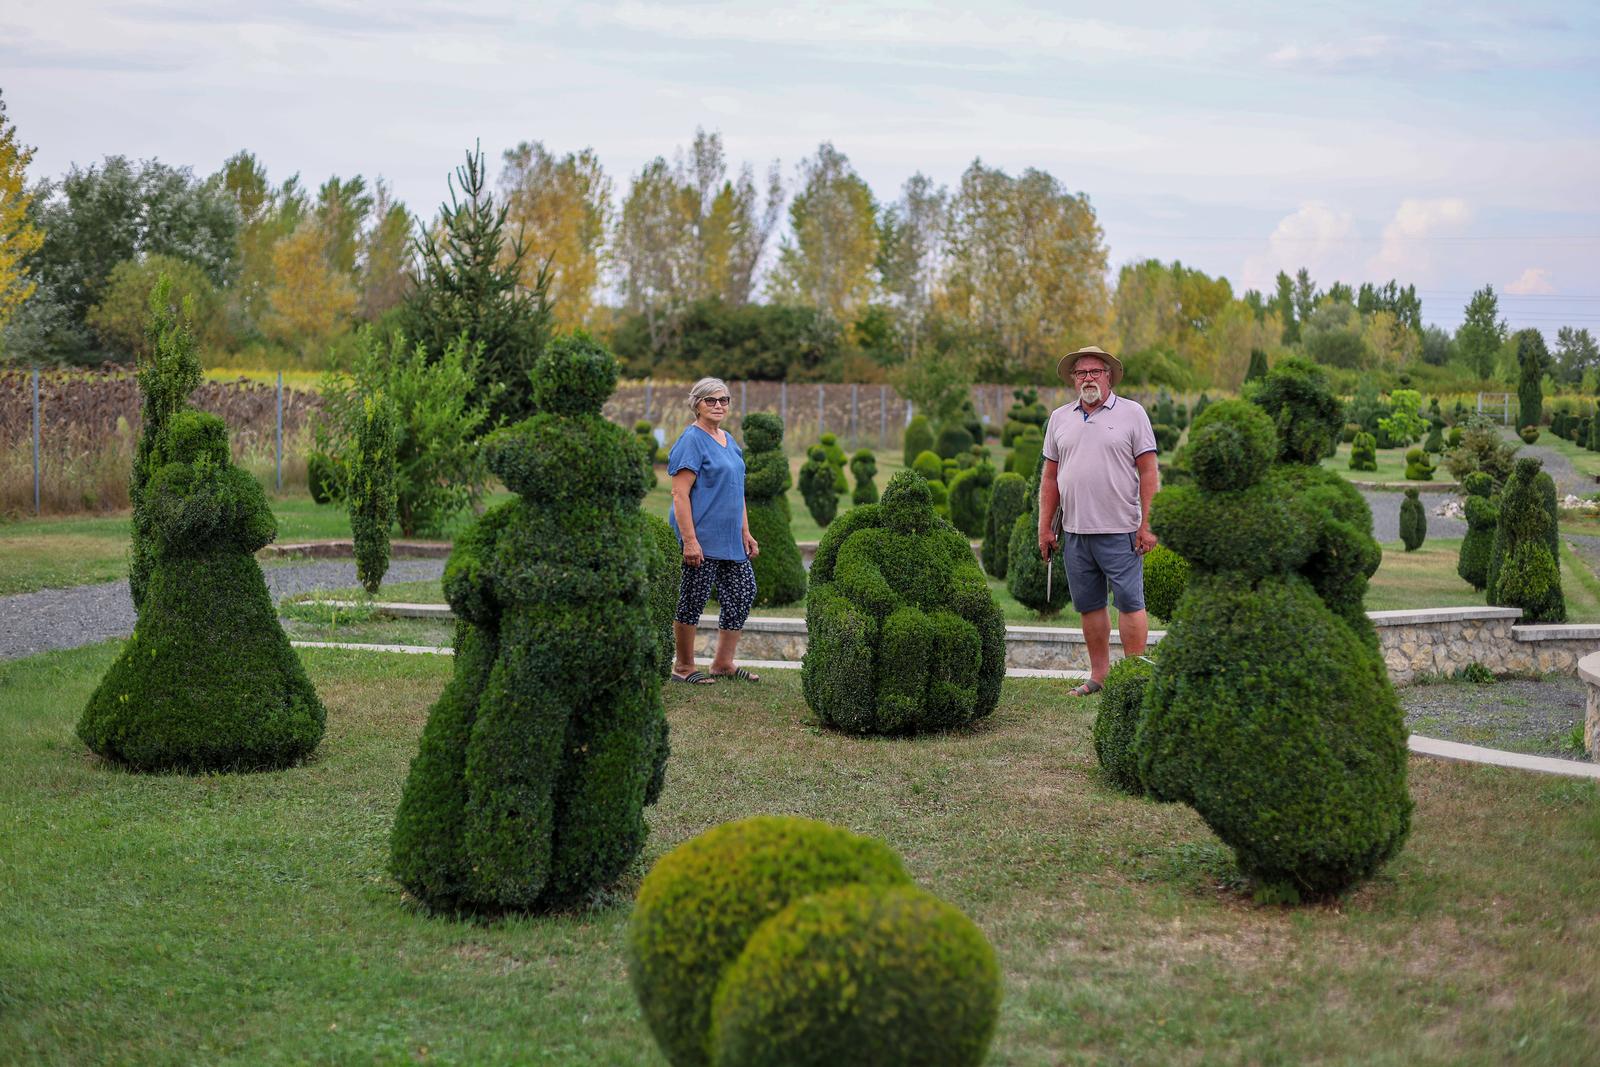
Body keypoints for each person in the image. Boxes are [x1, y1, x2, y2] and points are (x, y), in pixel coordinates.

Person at [1036, 345, 1159, 697]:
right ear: (1074, 379)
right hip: (1074, 532)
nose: (1087, 378)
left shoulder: (1133, 414)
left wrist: (1147, 524)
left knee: (1130, 604)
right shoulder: (1060, 418)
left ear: (1109, 376)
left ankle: (1134, 677)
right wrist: (1045, 527)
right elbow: (1049, 478)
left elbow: (1149, 472)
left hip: (1121, 530)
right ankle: (1099, 677)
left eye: (1094, 372)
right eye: (1081, 373)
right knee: (1089, 606)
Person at [667, 377, 762, 685]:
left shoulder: (728, 439)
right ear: (697, 404)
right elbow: (680, 494)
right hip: (701, 537)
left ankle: (723, 663)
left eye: (724, 400)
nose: (719, 405)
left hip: (730, 537)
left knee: (743, 591)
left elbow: (737, 491)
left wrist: (744, 532)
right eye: (711, 400)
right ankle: (683, 666)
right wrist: (690, 541)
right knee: (692, 599)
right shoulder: (691, 440)